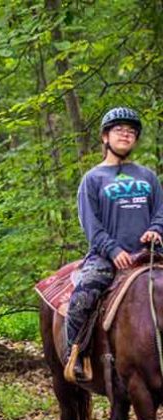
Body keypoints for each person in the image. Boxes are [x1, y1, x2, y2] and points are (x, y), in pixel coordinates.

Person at [66, 107, 163, 380]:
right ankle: (75, 355)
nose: (126, 134)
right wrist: (113, 250)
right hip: (107, 257)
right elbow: (91, 223)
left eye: (131, 131)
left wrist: (156, 229)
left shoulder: (148, 176)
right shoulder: (92, 179)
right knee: (82, 296)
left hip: (150, 254)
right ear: (105, 137)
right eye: (119, 129)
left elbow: (161, 210)